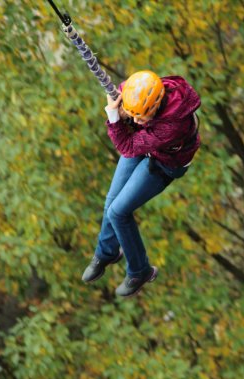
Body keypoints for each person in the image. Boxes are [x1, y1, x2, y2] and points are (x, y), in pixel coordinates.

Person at [82, 70, 201, 297]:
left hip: (165, 162)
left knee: (118, 212)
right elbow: (133, 113)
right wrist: (121, 105)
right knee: (111, 201)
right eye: (135, 116)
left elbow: (127, 147)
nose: (135, 120)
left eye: (141, 116)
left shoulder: (172, 125)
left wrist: (113, 116)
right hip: (144, 142)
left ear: (155, 107)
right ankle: (106, 253)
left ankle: (140, 271)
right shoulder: (140, 88)